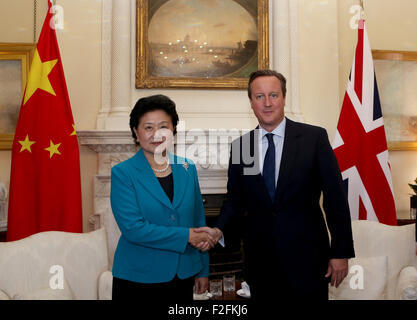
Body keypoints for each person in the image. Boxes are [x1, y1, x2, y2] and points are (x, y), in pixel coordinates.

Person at [196, 70, 355, 301]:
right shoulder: (243, 147)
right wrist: (218, 229)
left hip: (308, 260)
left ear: (284, 98)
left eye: (274, 95)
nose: (267, 103)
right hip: (261, 264)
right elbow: (235, 201)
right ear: (251, 102)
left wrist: (341, 252)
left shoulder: (313, 139)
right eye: (260, 97)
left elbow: (336, 199)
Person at [110, 94, 213, 301]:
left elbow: (198, 221)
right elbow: (133, 229)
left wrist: (202, 269)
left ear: (173, 130)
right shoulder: (123, 173)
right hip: (138, 277)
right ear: (136, 133)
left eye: (163, 126)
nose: (157, 134)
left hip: (183, 273)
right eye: (148, 127)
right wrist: (187, 237)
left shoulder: (187, 168)